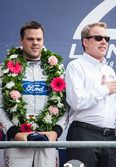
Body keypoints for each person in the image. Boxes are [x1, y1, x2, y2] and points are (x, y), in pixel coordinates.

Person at [0, 21, 68, 167]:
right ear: (21, 41)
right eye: (30, 39)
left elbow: (65, 105)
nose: (35, 43)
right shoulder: (5, 69)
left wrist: (55, 132)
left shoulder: (57, 68)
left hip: (47, 141)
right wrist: (13, 133)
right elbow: (0, 107)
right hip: (18, 142)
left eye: (39, 39)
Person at [65, 22, 116, 167]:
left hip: (110, 136)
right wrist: (104, 89)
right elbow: (76, 102)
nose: (104, 42)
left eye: (106, 39)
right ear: (85, 42)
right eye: (98, 38)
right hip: (84, 134)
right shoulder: (76, 66)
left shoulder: (110, 70)